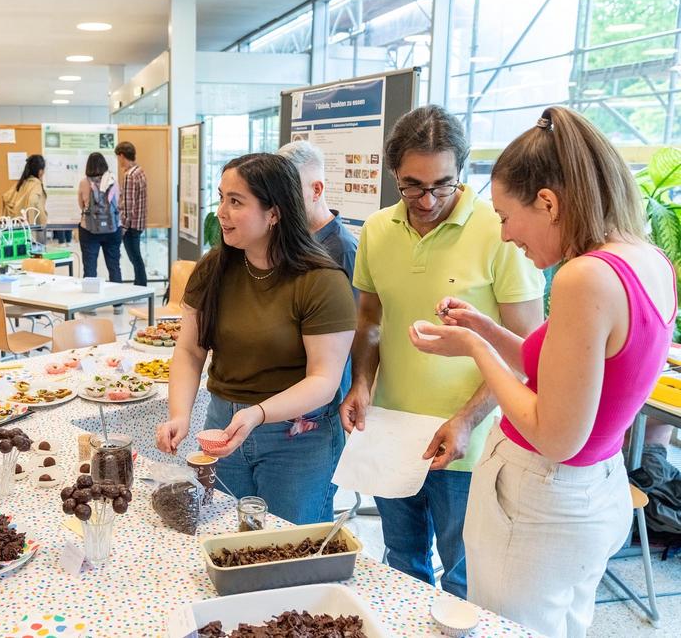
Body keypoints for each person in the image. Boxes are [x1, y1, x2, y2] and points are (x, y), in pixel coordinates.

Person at [410, 106, 676, 637]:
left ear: (549, 203)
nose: (506, 236)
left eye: (507, 217)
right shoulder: (645, 259)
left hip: (542, 494)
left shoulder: (584, 278)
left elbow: (555, 434)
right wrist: (486, 330)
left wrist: (472, 347)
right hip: (593, 491)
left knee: (506, 628)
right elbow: (564, 373)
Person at [340, 105, 544, 598]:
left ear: (463, 172)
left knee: (464, 575)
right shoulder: (377, 231)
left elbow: (527, 355)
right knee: (400, 563)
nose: (427, 200)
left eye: (443, 185)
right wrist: (362, 383)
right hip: (391, 431)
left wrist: (468, 419)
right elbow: (370, 319)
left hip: (471, 444)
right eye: (413, 185)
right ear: (393, 176)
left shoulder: (502, 232)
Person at [156, 153, 356, 524]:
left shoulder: (322, 281)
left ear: (274, 213)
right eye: (221, 198)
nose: (221, 212)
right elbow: (189, 351)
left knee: (287, 552)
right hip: (222, 426)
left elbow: (324, 380)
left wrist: (258, 414)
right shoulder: (213, 268)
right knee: (229, 539)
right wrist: (180, 414)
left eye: (236, 202)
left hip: (297, 439)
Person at [278, 139, 360, 398]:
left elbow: (352, 335)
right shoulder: (288, 241)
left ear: (316, 190)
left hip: (324, 397)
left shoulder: (344, 250)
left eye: (287, 193)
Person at [77, 152, 123, 286]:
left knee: (90, 268)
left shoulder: (84, 182)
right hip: (113, 229)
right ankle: (118, 305)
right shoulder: (113, 181)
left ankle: (91, 305)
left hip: (89, 230)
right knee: (114, 266)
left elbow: (81, 205)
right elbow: (117, 203)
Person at [115, 141, 148, 286]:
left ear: (122, 156)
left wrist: (122, 228)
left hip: (131, 225)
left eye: (118, 157)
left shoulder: (129, 175)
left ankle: (140, 288)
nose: (118, 161)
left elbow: (128, 206)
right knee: (137, 258)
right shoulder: (139, 171)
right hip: (139, 223)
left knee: (135, 258)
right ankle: (140, 286)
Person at [4, 154, 48, 226]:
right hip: (29, 228)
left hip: (17, 227)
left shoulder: (21, 184)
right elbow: (33, 202)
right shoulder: (36, 185)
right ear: (40, 171)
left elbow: (6, 198)